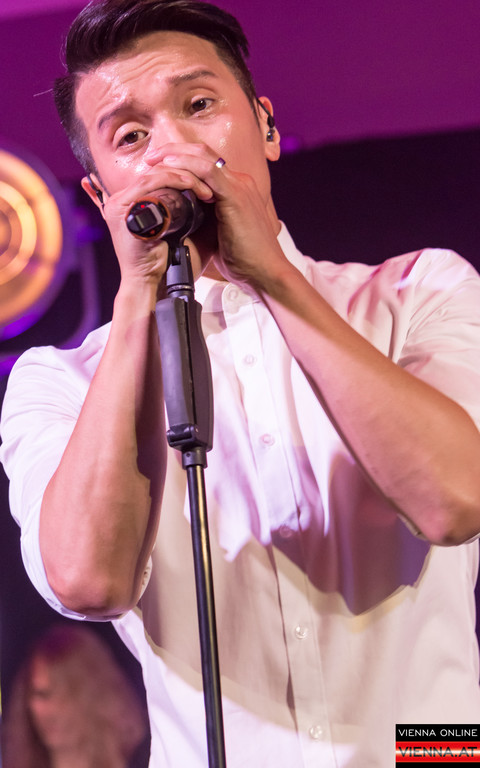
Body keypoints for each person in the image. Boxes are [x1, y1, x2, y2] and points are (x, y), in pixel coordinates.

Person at [2, 0, 480, 765]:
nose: (174, 146)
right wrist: (138, 299)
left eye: (199, 106)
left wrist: (273, 278)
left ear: (266, 126)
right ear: (99, 195)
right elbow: (88, 582)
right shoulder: (59, 380)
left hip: (431, 755)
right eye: (131, 136)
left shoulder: (418, 292)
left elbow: (455, 501)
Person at [1, 623, 148, 768]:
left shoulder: (147, 761)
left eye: (69, 694)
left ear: (98, 696)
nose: (54, 710)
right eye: (44, 695)